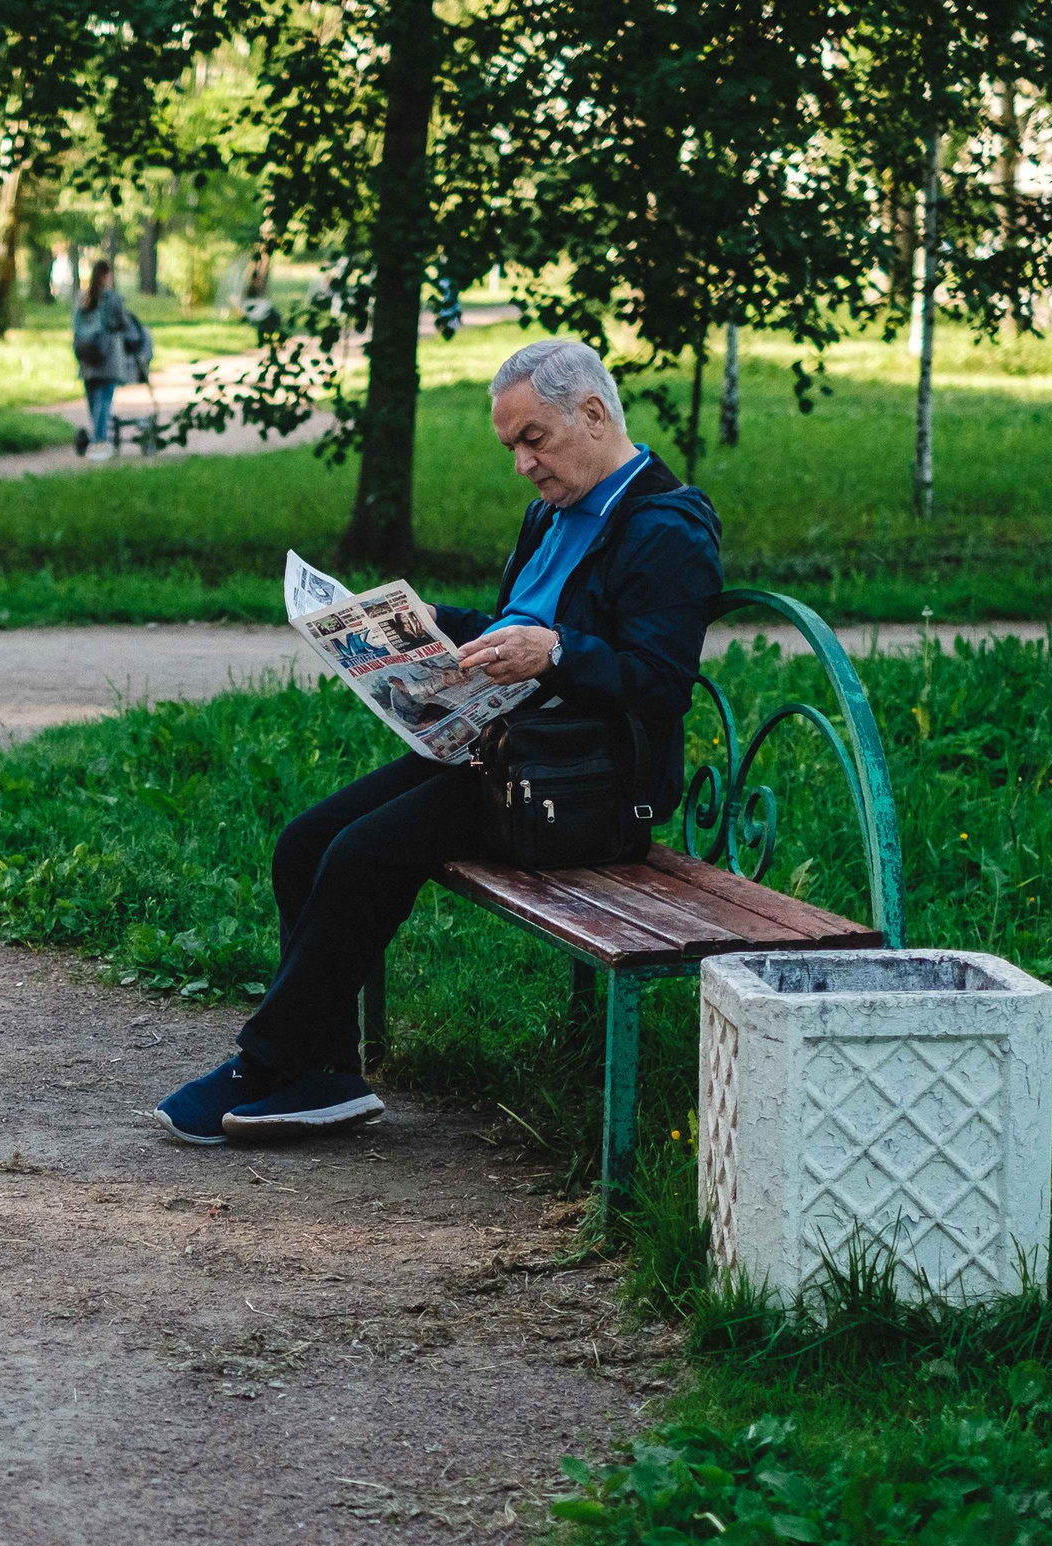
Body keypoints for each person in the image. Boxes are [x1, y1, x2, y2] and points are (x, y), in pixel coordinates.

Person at [152, 339, 723, 1144]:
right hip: (503, 752)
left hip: (582, 786)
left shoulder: (667, 526)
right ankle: (328, 1074)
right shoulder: (554, 512)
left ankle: (266, 1062)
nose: (523, 464)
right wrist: (421, 625)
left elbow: (659, 684)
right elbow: (511, 627)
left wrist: (559, 652)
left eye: (534, 439)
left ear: (594, 414)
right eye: (511, 446)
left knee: (361, 855)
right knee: (305, 843)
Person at [71, 261, 144, 461]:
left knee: (93, 398)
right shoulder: (112, 299)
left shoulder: (82, 298)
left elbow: (76, 325)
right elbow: (121, 324)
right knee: (104, 398)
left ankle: (98, 436)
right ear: (107, 276)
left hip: (86, 355)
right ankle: (100, 441)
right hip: (108, 355)